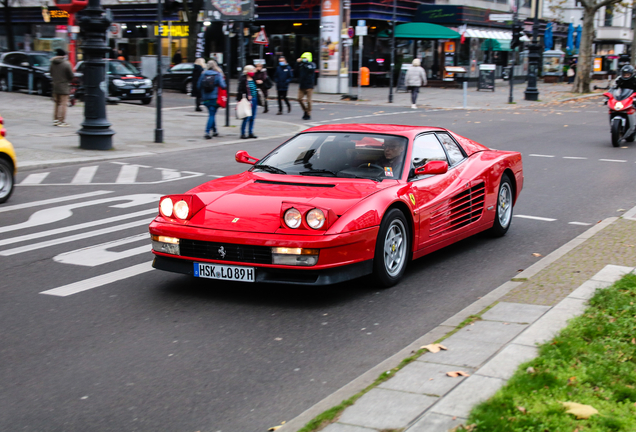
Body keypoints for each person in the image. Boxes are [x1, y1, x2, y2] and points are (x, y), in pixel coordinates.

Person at [197, 59, 226, 139]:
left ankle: (215, 131)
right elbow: (223, 86)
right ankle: (207, 132)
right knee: (212, 115)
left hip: (205, 98)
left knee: (211, 113)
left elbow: (198, 86)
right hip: (215, 98)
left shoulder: (203, 74)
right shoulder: (218, 74)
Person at [49, 48, 74, 127]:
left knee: (57, 103)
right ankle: (61, 121)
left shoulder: (52, 63)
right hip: (64, 86)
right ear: (64, 55)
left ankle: (55, 120)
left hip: (55, 85)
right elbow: (71, 75)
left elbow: (51, 73)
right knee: (63, 104)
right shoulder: (66, 64)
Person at [237, 65, 259, 139]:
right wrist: (244, 97)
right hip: (247, 100)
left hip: (254, 99)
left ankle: (250, 132)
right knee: (246, 117)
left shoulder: (253, 78)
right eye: (251, 70)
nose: (253, 72)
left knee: (253, 117)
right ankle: (243, 133)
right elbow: (240, 91)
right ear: (247, 71)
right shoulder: (243, 79)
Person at [296, 52, 316, 120]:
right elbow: (296, 70)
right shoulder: (301, 64)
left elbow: (310, 69)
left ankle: (308, 113)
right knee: (299, 99)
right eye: (302, 58)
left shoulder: (312, 64)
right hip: (302, 85)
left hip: (309, 85)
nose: (303, 59)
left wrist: (305, 63)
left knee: (308, 100)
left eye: (305, 58)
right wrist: (298, 63)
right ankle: (305, 110)